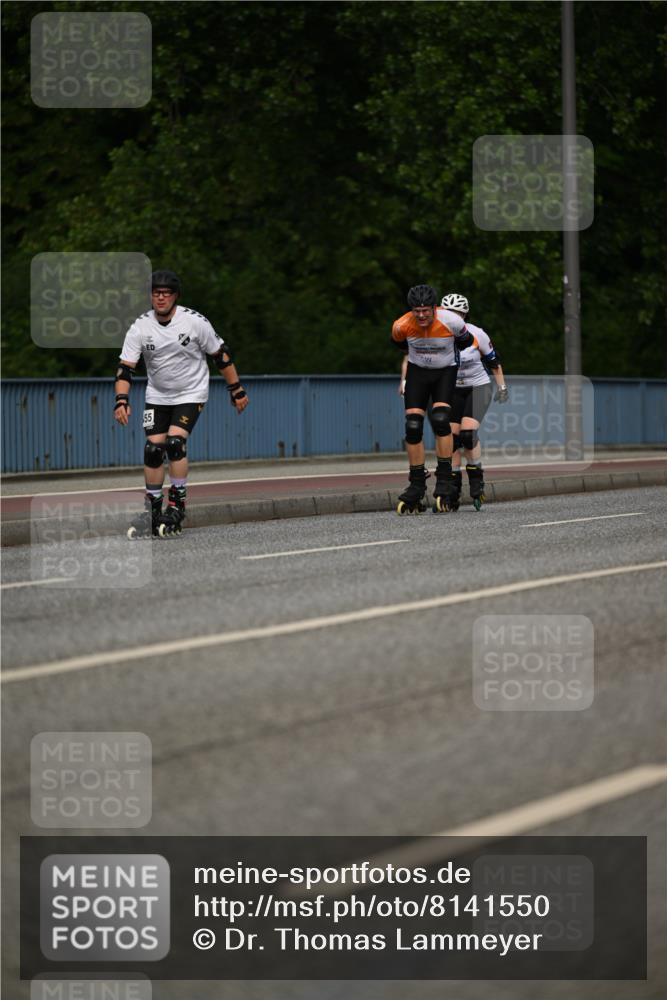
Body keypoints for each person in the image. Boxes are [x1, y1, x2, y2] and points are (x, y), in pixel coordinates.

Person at [114, 269, 249, 536]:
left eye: (166, 293)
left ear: (175, 296)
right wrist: (121, 400)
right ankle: (152, 508)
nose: (160, 298)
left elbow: (221, 356)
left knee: (175, 443)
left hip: (191, 392)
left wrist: (236, 390)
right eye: (155, 293)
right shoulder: (140, 326)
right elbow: (125, 368)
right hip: (157, 395)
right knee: (153, 449)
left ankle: (177, 504)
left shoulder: (194, 322)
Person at [391, 284, 476, 513]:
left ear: (434, 308)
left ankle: (445, 480)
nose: (421, 316)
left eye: (425, 311)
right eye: (416, 311)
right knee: (413, 426)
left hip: (445, 372)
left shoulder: (452, 321)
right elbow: (401, 347)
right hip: (418, 373)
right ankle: (417, 483)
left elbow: (465, 341)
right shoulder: (401, 326)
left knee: (440, 420)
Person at [440, 292, 508, 509]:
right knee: (451, 439)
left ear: (464, 315)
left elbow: (494, 362)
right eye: (449, 313)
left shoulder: (477, 334)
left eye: (457, 314)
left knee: (468, 434)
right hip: (453, 389)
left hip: (478, 387)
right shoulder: (436, 336)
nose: (453, 318)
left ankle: (477, 482)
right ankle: (453, 489)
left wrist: (502, 387)